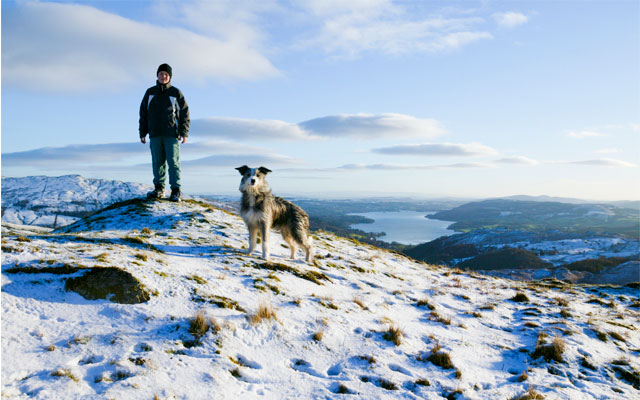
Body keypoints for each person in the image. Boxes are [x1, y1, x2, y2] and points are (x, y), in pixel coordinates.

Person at [139, 63, 190, 202]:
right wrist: (142, 132)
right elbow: (143, 113)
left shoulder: (175, 92)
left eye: (166, 74)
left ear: (170, 77)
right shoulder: (150, 93)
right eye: (161, 74)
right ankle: (159, 189)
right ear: (157, 75)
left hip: (171, 135)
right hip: (154, 134)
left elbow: (184, 113)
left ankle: (175, 190)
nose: (163, 76)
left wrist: (183, 132)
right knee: (157, 162)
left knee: (173, 163)